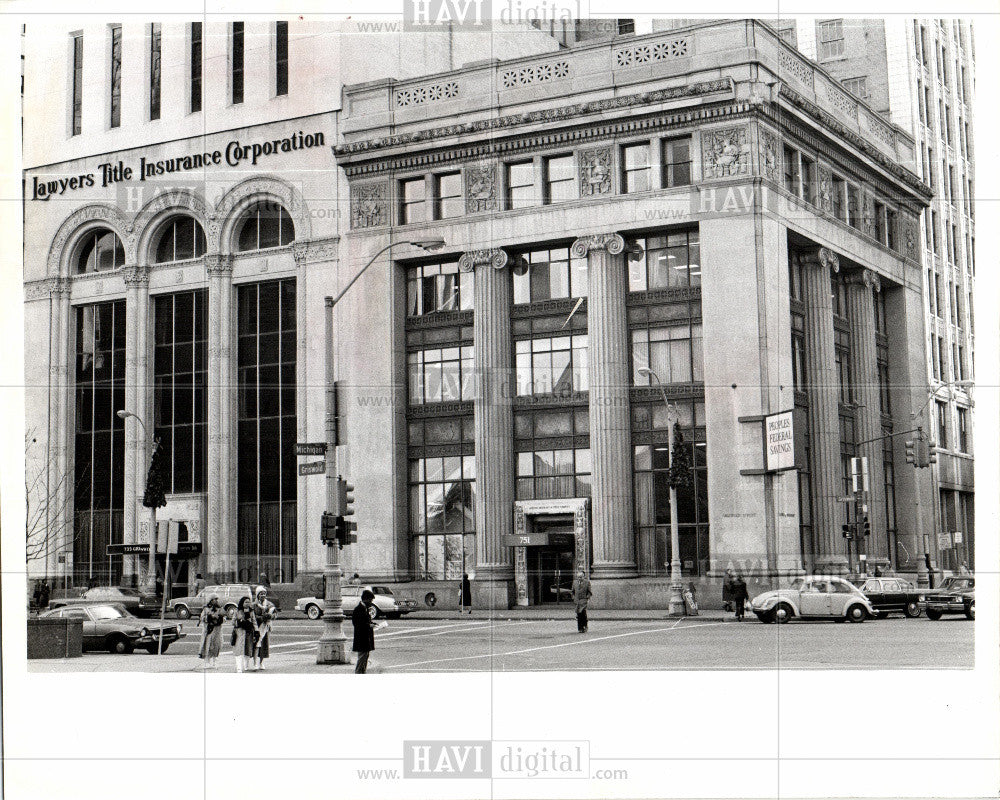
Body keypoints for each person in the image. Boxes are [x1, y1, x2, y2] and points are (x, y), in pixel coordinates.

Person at [352, 589, 377, 674]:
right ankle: (359, 673)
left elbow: (365, 621)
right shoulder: (358, 609)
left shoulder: (365, 609)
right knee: (362, 658)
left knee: (365, 657)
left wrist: (372, 623)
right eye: (370, 600)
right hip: (362, 638)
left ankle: (363, 672)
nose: (371, 602)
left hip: (365, 638)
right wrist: (368, 625)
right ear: (365, 599)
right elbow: (357, 623)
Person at [252, 586, 277, 671]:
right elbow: (253, 616)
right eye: (261, 594)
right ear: (257, 595)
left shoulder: (269, 604)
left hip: (265, 627)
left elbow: (275, 614)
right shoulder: (254, 605)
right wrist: (261, 618)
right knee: (256, 645)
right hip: (257, 627)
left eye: (264, 594)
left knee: (264, 645)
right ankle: (255, 662)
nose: (263, 595)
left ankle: (261, 662)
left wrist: (270, 616)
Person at [198, 595, 225, 669]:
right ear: (210, 600)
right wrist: (210, 617)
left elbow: (223, 617)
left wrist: (219, 617)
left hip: (217, 630)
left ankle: (215, 662)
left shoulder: (219, 608)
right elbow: (202, 618)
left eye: (217, 599)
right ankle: (207, 662)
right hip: (209, 630)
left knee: (216, 646)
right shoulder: (206, 609)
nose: (216, 601)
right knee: (208, 646)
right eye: (214, 599)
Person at [232, 596, 257, 673]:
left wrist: (256, 631)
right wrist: (240, 622)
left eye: (249, 602)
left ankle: (246, 665)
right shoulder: (237, 611)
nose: (247, 603)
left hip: (249, 633)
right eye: (246, 602)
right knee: (239, 650)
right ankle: (239, 667)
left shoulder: (251, 611)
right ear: (242, 603)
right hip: (239, 633)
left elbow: (254, 621)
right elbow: (233, 621)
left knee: (248, 649)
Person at [571, 568, 592, 632]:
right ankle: (580, 628)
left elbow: (589, 592)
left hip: (583, 600)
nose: (579, 578)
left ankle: (584, 626)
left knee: (582, 612)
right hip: (577, 600)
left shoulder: (587, 582)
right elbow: (573, 591)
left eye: (580, 577)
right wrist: (573, 597)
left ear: (583, 576)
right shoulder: (575, 582)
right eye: (578, 577)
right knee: (579, 614)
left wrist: (587, 598)